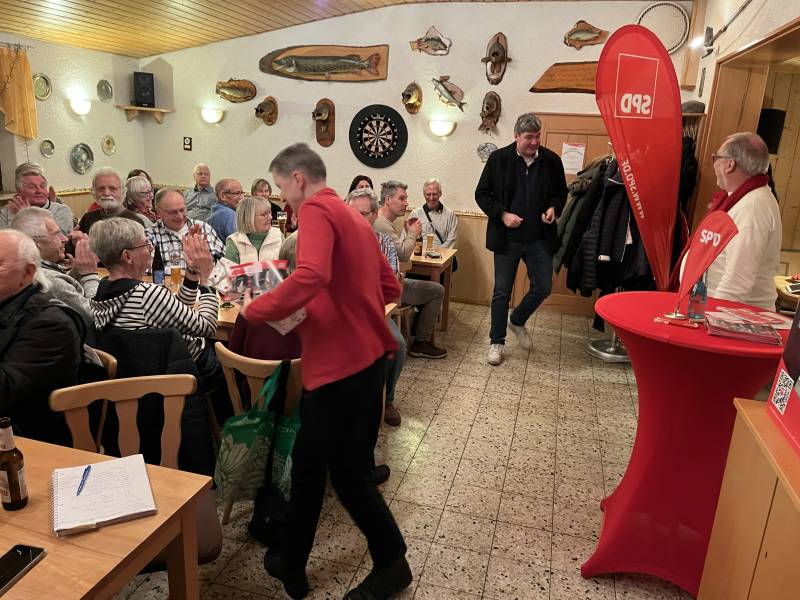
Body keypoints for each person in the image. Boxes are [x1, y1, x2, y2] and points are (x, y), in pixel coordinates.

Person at [242, 143, 410, 600]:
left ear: (298, 178)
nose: (283, 200)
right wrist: (341, 310)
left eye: (282, 188)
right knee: (311, 468)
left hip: (339, 369)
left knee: (347, 477)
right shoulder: (353, 217)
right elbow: (389, 286)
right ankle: (291, 560)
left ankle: (392, 562)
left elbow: (312, 274)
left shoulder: (315, 210)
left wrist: (257, 308)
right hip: (365, 361)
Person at [476, 112, 568, 366]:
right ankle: (496, 342)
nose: (534, 142)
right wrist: (503, 214)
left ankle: (517, 320)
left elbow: (561, 193)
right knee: (501, 292)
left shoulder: (551, 161)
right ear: (516, 136)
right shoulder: (498, 159)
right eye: (529, 137)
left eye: (537, 136)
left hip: (539, 238)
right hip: (507, 238)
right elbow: (482, 194)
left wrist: (553, 208)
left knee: (543, 287)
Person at [89, 217, 222, 380]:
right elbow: (207, 327)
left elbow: (176, 313)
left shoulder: (102, 291)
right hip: (190, 373)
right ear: (128, 256)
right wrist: (206, 279)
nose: (151, 248)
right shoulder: (147, 295)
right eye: (145, 244)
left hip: (141, 377)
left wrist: (193, 272)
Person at [0, 229, 85, 446]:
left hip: (31, 442)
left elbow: (6, 394)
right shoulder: (7, 304)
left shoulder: (50, 324)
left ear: (28, 272)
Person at [682, 132, 781, 310]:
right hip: (714, 309)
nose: (714, 164)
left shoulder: (753, 206)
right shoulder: (739, 199)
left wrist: (711, 316)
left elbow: (737, 281)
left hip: (734, 316)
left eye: (716, 158)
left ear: (730, 164)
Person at [347, 187, 406, 428]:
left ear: (374, 215)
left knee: (397, 344)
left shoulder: (384, 242)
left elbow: (390, 283)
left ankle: (387, 399)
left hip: (374, 312)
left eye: (363, 214)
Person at [374, 180, 447, 360]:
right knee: (437, 290)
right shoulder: (381, 223)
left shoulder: (384, 221)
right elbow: (405, 254)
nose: (406, 203)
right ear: (388, 199)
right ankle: (420, 342)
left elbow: (398, 253)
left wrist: (409, 234)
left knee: (429, 287)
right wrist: (413, 233)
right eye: (402, 198)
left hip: (389, 281)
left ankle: (416, 330)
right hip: (386, 289)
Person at [10, 207, 99, 321]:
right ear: (35, 243)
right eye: (56, 234)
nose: (64, 239)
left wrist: (78, 270)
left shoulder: (23, 269)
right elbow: (98, 317)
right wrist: (89, 274)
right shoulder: (49, 280)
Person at [147, 188, 225, 267]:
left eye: (182, 210)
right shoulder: (150, 235)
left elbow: (227, 263)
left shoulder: (204, 228)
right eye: (172, 212)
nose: (180, 216)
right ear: (158, 211)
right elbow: (146, 270)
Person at [0, 167, 74, 233]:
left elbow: (58, 238)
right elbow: (3, 239)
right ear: (19, 191)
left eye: (42, 186)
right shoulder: (6, 211)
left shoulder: (61, 210)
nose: (39, 191)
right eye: (32, 187)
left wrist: (27, 215)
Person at [78, 167, 141, 234]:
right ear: (94, 192)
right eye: (101, 189)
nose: (106, 193)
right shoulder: (87, 219)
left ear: (123, 191)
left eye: (112, 188)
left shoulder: (135, 222)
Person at [224, 195, 283, 263]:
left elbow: (289, 265)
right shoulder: (234, 241)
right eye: (264, 215)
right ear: (248, 218)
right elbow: (229, 269)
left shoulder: (278, 235)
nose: (270, 217)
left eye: (269, 213)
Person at [408, 178, 458, 249]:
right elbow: (407, 240)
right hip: (419, 254)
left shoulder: (450, 216)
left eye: (434, 194)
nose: (431, 198)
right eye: (428, 194)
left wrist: (434, 254)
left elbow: (451, 242)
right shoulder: (415, 214)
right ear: (424, 194)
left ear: (440, 194)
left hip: (442, 255)